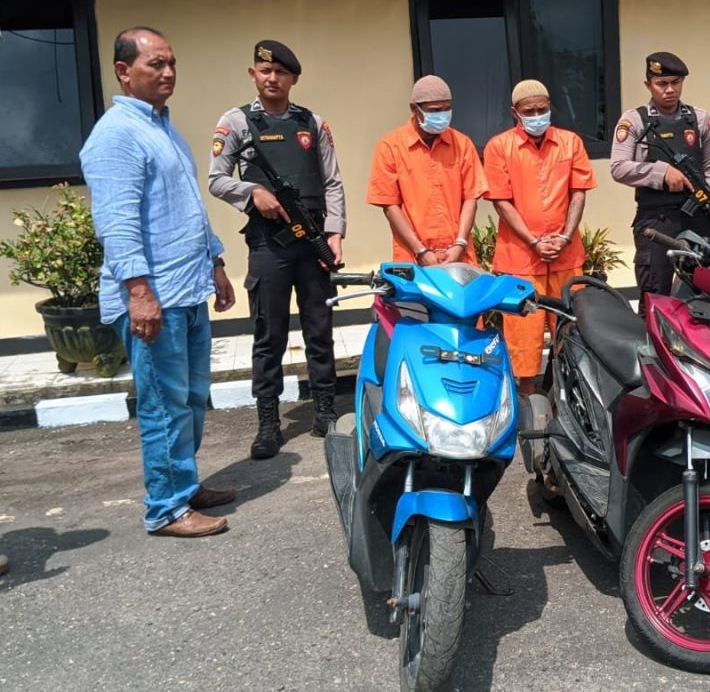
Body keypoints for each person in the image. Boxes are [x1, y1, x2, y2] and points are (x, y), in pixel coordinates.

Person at [81, 27, 238, 538]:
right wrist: (138, 292)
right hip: (155, 297)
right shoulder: (115, 136)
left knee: (192, 398)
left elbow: (186, 207)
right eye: (156, 65)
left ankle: (184, 485)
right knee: (163, 405)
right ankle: (166, 509)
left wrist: (215, 262)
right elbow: (118, 223)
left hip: (186, 287)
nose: (168, 73)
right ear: (124, 71)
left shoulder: (163, 127)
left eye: (172, 63)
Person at [209, 40, 347, 459]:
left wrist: (336, 232)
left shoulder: (312, 123)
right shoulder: (235, 122)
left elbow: (333, 183)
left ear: (293, 78)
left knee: (319, 329)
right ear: (253, 74)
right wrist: (252, 192)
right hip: (268, 244)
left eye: (281, 73)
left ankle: (325, 409)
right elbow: (216, 178)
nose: (273, 78)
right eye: (264, 71)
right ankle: (268, 422)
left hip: (313, 240)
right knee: (268, 334)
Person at [483, 79, 597, 395]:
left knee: (571, 331)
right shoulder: (498, 147)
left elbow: (578, 193)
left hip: (566, 254)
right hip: (520, 258)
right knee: (523, 336)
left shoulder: (570, 142)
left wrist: (564, 236)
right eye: (528, 111)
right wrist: (534, 240)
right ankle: (527, 401)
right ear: (514, 113)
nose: (536, 115)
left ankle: (569, 398)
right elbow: (501, 201)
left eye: (542, 109)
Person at [609, 51, 710, 300]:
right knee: (656, 295)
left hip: (697, 217)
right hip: (657, 221)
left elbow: (709, 167)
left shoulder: (699, 119)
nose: (669, 90)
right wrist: (662, 172)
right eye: (661, 84)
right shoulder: (634, 121)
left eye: (675, 83)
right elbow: (619, 167)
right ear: (648, 85)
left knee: (707, 293)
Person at [367, 75, 486, 265]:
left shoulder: (462, 144)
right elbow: (390, 206)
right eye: (435, 110)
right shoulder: (390, 146)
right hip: (412, 258)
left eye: (447, 108)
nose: (443, 115)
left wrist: (460, 243)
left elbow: (471, 199)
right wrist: (420, 250)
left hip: (459, 256)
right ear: (415, 109)